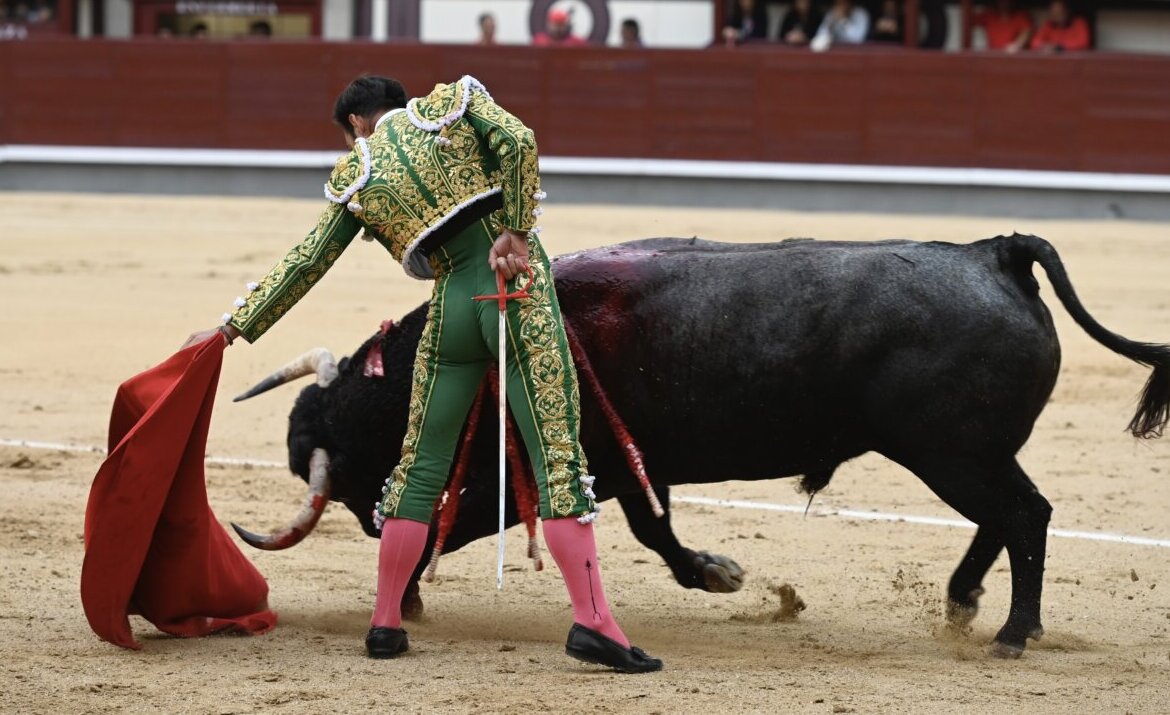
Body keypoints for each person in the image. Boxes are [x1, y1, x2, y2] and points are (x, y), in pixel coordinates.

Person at [182, 75, 662, 673]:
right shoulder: (449, 106)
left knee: (420, 465)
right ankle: (594, 623)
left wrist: (229, 328)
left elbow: (306, 263)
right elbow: (518, 138)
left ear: (357, 123)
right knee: (558, 459)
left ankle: (385, 622)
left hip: (450, 311)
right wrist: (513, 227)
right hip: (514, 286)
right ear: (396, 105)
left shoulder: (358, 173)